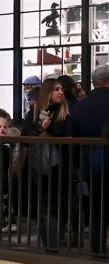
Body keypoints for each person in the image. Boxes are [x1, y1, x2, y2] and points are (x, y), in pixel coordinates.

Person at [22, 78, 71, 251]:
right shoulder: (34, 112)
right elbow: (25, 136)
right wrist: (38, 127)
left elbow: (67, 135)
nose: (60, 92)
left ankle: (53, 243)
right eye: (56, 89)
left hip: (58, 167)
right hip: (37, 167)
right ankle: (47, 243)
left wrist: (49, 128)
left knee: (56, 205)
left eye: (61, 89)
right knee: (42, 205)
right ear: (47, 93)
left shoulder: (64, 113)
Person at [71, 65, 109, 256]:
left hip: (89, 163)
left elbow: (73, 135)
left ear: (94, 82)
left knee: (96, 207)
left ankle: (97, 247)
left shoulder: (80, 106)